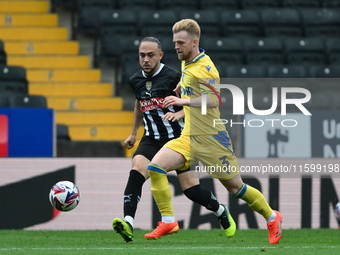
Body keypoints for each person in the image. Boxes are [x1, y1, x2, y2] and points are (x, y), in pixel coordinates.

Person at [144, 20, 283, 245]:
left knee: (236, 188)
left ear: (194, 42)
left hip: (212, 139)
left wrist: (182, 100)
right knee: (156, 167)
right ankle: (168, 220)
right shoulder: (186, 62)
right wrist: (183, 90)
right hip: (189, 136)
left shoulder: (206, 68)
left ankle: (272, 216)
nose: (176, 47)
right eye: (174, 42)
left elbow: (212, 100)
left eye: (181, 42)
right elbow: (194, 88)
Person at [112, 37, 236, 243]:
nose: (146, 59)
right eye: (142, 55)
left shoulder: (174, 77)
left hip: (179, 139)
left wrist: (180, 114)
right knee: (136, 173)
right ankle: (128, 223)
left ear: (160, 55)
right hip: (151, 139)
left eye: (151, 55)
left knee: (191, 190)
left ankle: (220, 209)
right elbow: (139, 103)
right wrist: (134, 133)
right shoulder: (135, 80)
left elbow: (196, 104)